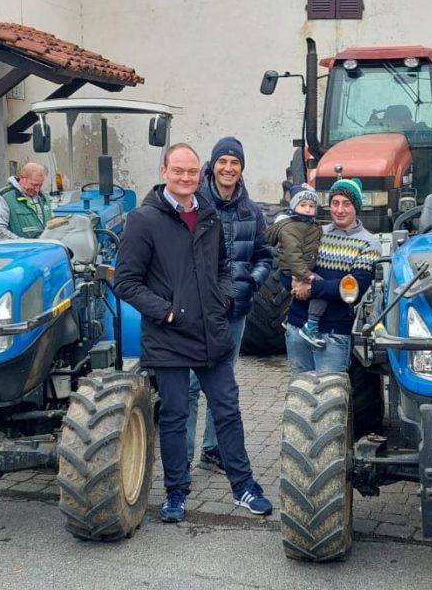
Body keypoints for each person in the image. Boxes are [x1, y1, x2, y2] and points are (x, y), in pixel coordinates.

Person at [113, 143, 272, 523]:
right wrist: (166, 312)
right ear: (164, 171)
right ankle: (175, 492)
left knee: (228, 410)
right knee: (174, 415)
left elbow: (221, 265)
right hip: (167, 337)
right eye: (178, 171)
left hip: (211, 331)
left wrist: (223, 300)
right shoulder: (143, 220)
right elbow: (126, 282)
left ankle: (243, 485)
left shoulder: (209, 216)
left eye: (190, 171)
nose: (185, 178)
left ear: (198, 172)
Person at [185, 137, 273, 475]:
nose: (228, 168)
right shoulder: (194, 206)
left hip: (234, 311)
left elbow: (266, 255)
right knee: (192, 383)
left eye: (235, 163)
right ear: (213, 165)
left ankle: (213, 449)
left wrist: (251, 281)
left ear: (241, 169)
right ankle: (182, 454)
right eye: (223, 161)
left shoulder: (251, 212)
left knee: (221, 382)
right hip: (197, 311)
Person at [283, 177, 379, 376]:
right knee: (299, 394)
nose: (340, 210)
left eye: (347, 204)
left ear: (356, 207)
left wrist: (309, 289)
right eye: (335, 203)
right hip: (296, 329)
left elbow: (352, 289)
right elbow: (286, 267)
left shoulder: (368, 243)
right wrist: (292, 282)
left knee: (329, 398)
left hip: (333, 334)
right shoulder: (315, 232)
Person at [267, 183, 326, 348]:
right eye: (303, 205)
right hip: (292, 272)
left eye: (312, 206)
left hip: (299, 269)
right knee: (321, 289)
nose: (307, 209)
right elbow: (293, 254)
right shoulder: (291, 228)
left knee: (303, 296)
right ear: (293, 206)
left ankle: (289, 319)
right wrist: (304, 275)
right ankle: (312, 326)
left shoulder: (308, 224)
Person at [0, 161, 53, 239]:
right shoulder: (3, 197)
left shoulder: (44, 197)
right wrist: (24, 243)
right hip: (19, 250)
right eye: (34, 184)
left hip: (44, 249)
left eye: (40, 185)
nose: (37, 189)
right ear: (22, 178)